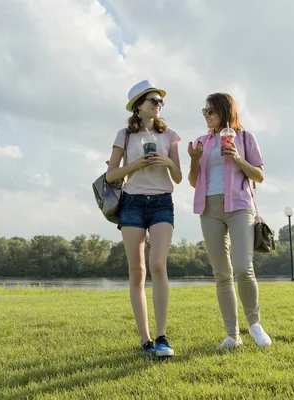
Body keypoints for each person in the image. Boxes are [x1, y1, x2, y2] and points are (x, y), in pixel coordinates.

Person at [187, 92, 272, 350]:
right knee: (221, 274)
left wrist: (236, 158)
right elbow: (193, 181)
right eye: (204, 111)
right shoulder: (201, 142)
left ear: (225, 111)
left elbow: (259, 175)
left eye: (211, 111)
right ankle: (233, 336)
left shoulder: (245, 138)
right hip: (209, 209)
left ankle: (255, 324)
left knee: (243, 268)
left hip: (239, 207)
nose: (207, 116)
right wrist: (193, 160)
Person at [106, 80, 182, 357]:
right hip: (132, 204)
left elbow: (178, 177)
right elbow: (111, 175)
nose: (158, 105)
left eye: (160, 101)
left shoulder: (170, 135)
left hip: (162, 201)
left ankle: (162, 336)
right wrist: (136, 165)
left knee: (158, 264)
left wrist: (168, 162)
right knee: (137, 272)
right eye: (153, 101)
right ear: (139, 106)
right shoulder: (124, 135)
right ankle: (145, 340)